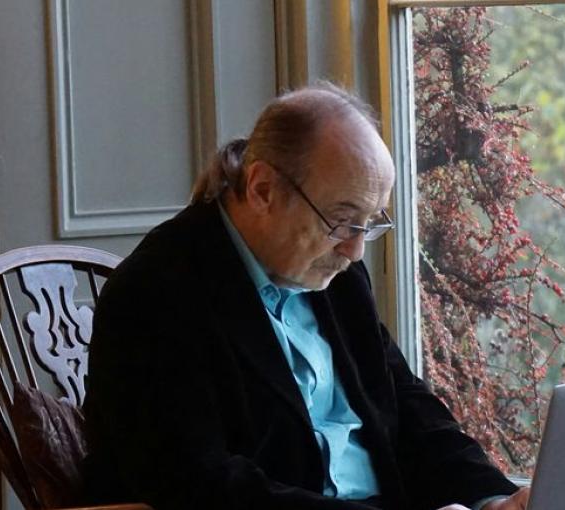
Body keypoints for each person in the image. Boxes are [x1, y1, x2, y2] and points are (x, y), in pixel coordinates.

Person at [82, 83, 531, 510]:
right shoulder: (154, 295)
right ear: (262, 190)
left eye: (369, 223)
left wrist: (493, 496)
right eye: (341, 220)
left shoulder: (336, 276)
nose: (355, 250)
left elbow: (405, 405)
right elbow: (202, 485)